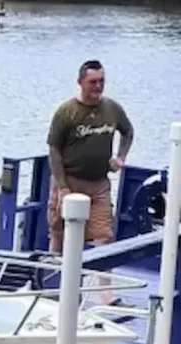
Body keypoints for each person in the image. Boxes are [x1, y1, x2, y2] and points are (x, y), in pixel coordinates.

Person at [46, 59, 133, 305]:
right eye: (93, 82)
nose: (98, 87)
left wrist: (121, 157)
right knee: (58, 233)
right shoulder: (67, 112)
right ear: (81, 82)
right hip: (70, 180)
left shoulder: (112, 109)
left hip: (99, 183)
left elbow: (128, 131)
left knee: (104, 236)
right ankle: (54, 285)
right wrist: (62, 187)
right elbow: (54, 150)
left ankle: (106, 295)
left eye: (102, 81)